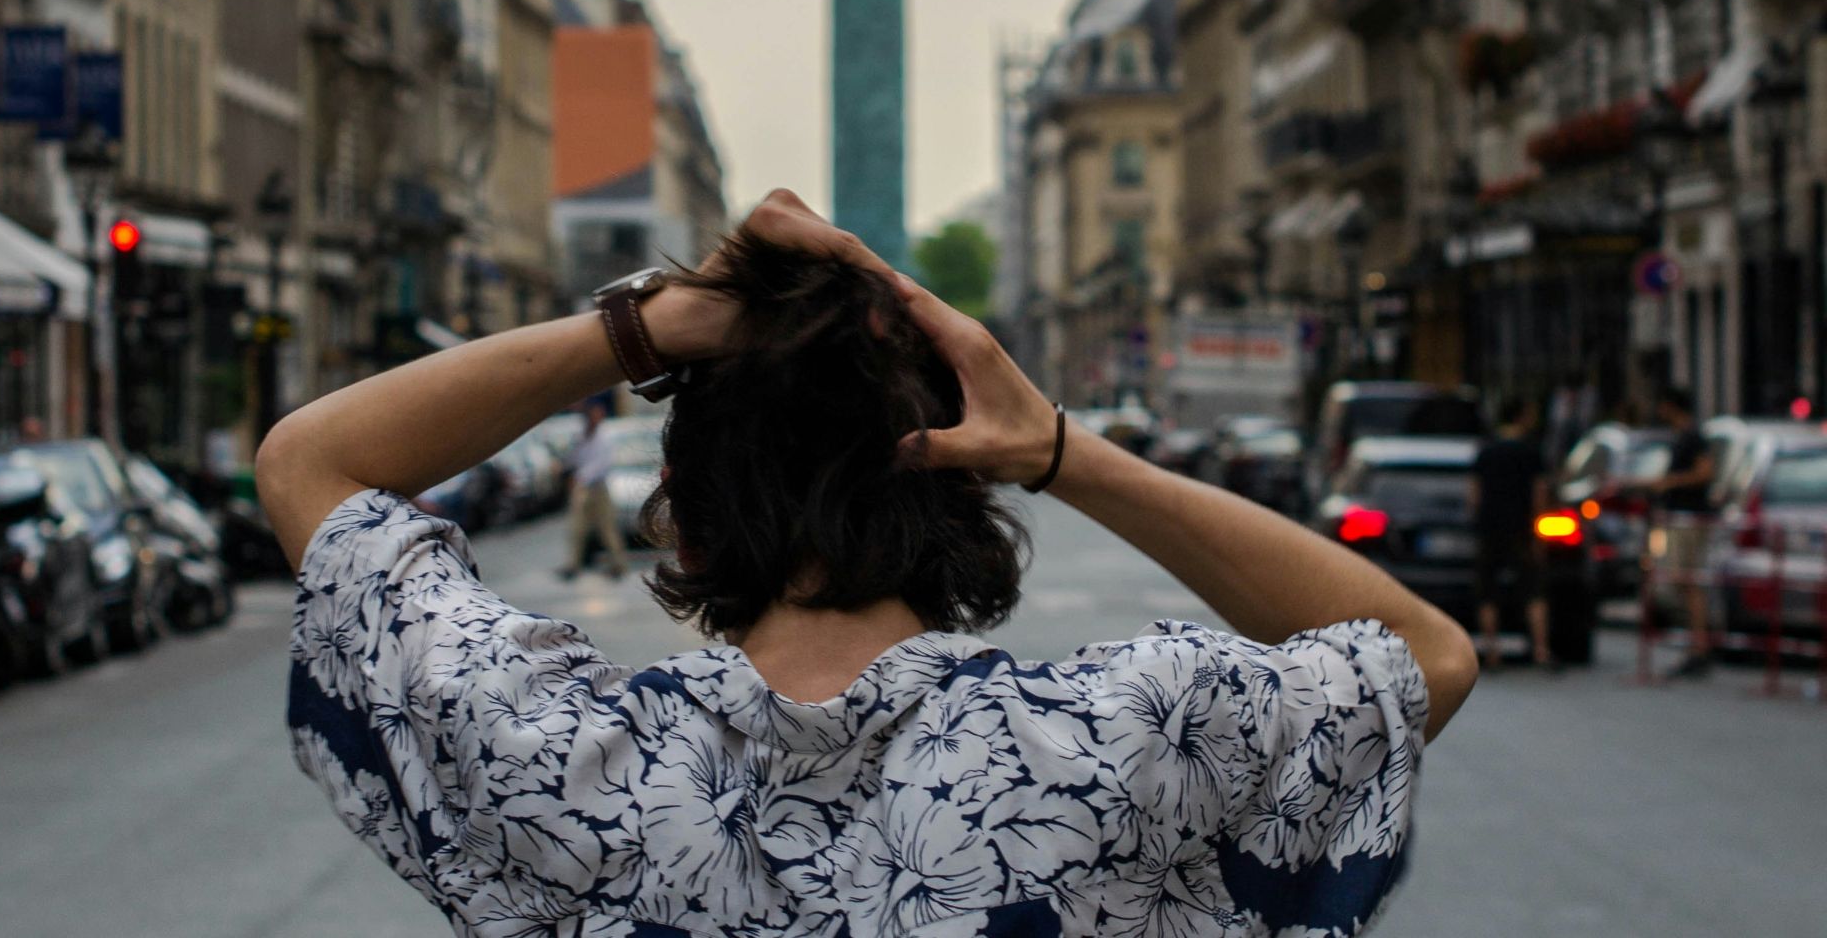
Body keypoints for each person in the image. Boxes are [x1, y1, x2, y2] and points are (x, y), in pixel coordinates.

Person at [256, 190, 1478, 936]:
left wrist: (658, 321)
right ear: (960, 490)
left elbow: (312, 463)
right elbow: (1426, 654)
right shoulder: (1124, 742)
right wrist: (1064, 451)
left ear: (678, 513)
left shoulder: (566, 768)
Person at [1472, 396, 1552, 670]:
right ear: (1521, 415)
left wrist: (1479, 522)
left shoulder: (1487, 451)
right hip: (1522, 530)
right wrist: (1538, 531)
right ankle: (1541, 650)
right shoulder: (1531, 452)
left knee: (1488, 592)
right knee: (1533, 590)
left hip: (1491, 529)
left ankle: (1492, 651)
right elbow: (1539, 494)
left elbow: (1474, 494)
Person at [1645, 387, 1717, 677]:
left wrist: (1671, 482)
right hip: (1679, 516)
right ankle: (1696, 643)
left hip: (1688, 517)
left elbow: (1705, 472)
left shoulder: (1692, 436)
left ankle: (1699, 645)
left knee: (1685, 579)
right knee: (1682, 580)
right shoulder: (1681, 436)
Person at [559, 401, 629, 580]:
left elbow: (602, 464)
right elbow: (574, 457)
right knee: (577, 527)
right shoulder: (581, 435)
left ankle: (618, 564)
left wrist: (580, 477)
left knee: (606, 527)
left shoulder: (604, 437)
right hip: (583, 487)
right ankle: (573, 564)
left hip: (597, 486)